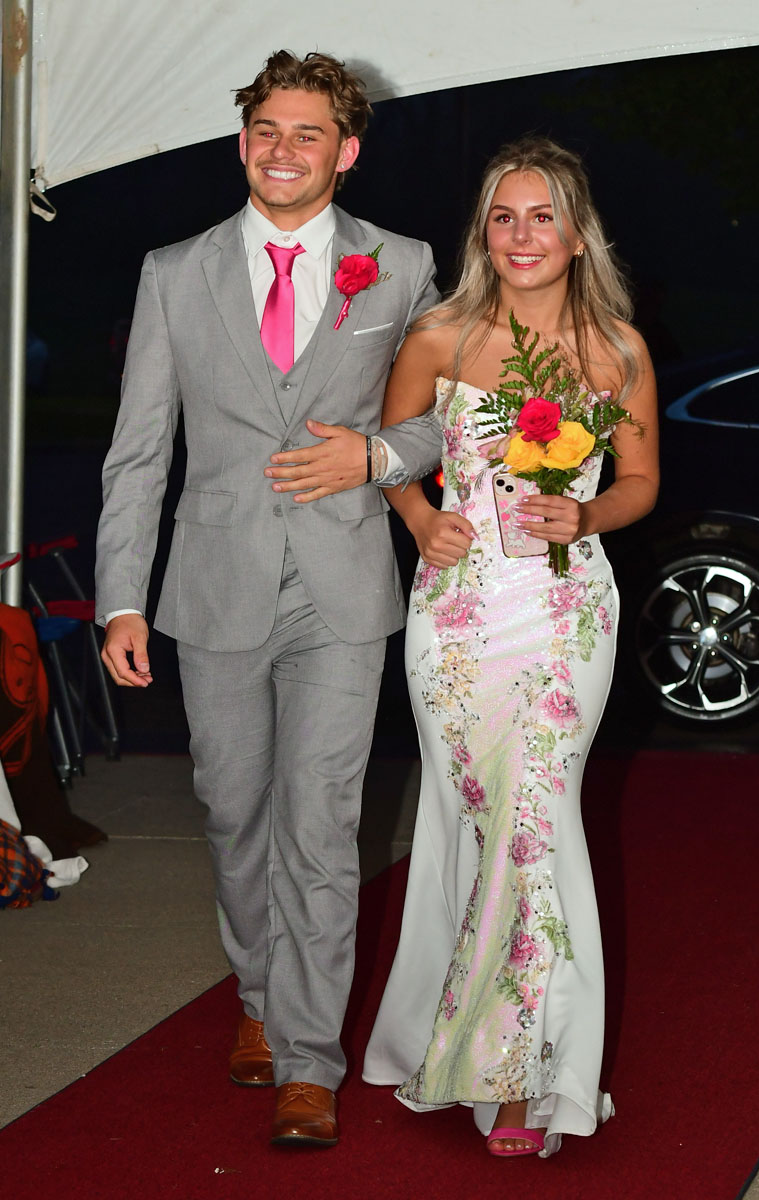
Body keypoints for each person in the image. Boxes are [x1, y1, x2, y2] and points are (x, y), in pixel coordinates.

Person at [95, 50, 441, 1149]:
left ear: (344, 151)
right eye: (264, 130)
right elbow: (138, 454)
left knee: (321, 824)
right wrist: (120, 599)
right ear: (242, 139)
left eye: (306, 134)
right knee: (234, 809)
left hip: (343, 589)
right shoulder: (173, 272)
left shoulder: (399, 266)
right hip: (212, 586)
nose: (281, 150)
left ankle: (307, 1059)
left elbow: (450, 415)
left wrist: (378, 457)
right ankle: (255, 993)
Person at [360, 136, 659, 1158]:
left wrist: (587, 519)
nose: (521, 235)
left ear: (576, 234)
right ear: (482, 232)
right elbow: (387, 453)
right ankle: (450, 1033)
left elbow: (637, 481)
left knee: (536, 817)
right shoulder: (440, 334)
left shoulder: (616, 346)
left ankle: (526, 1073)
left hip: (565, 614)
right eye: (503, 215)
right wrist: (415, 516)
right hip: (455, 619)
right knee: (473, 819)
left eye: (541, 216)